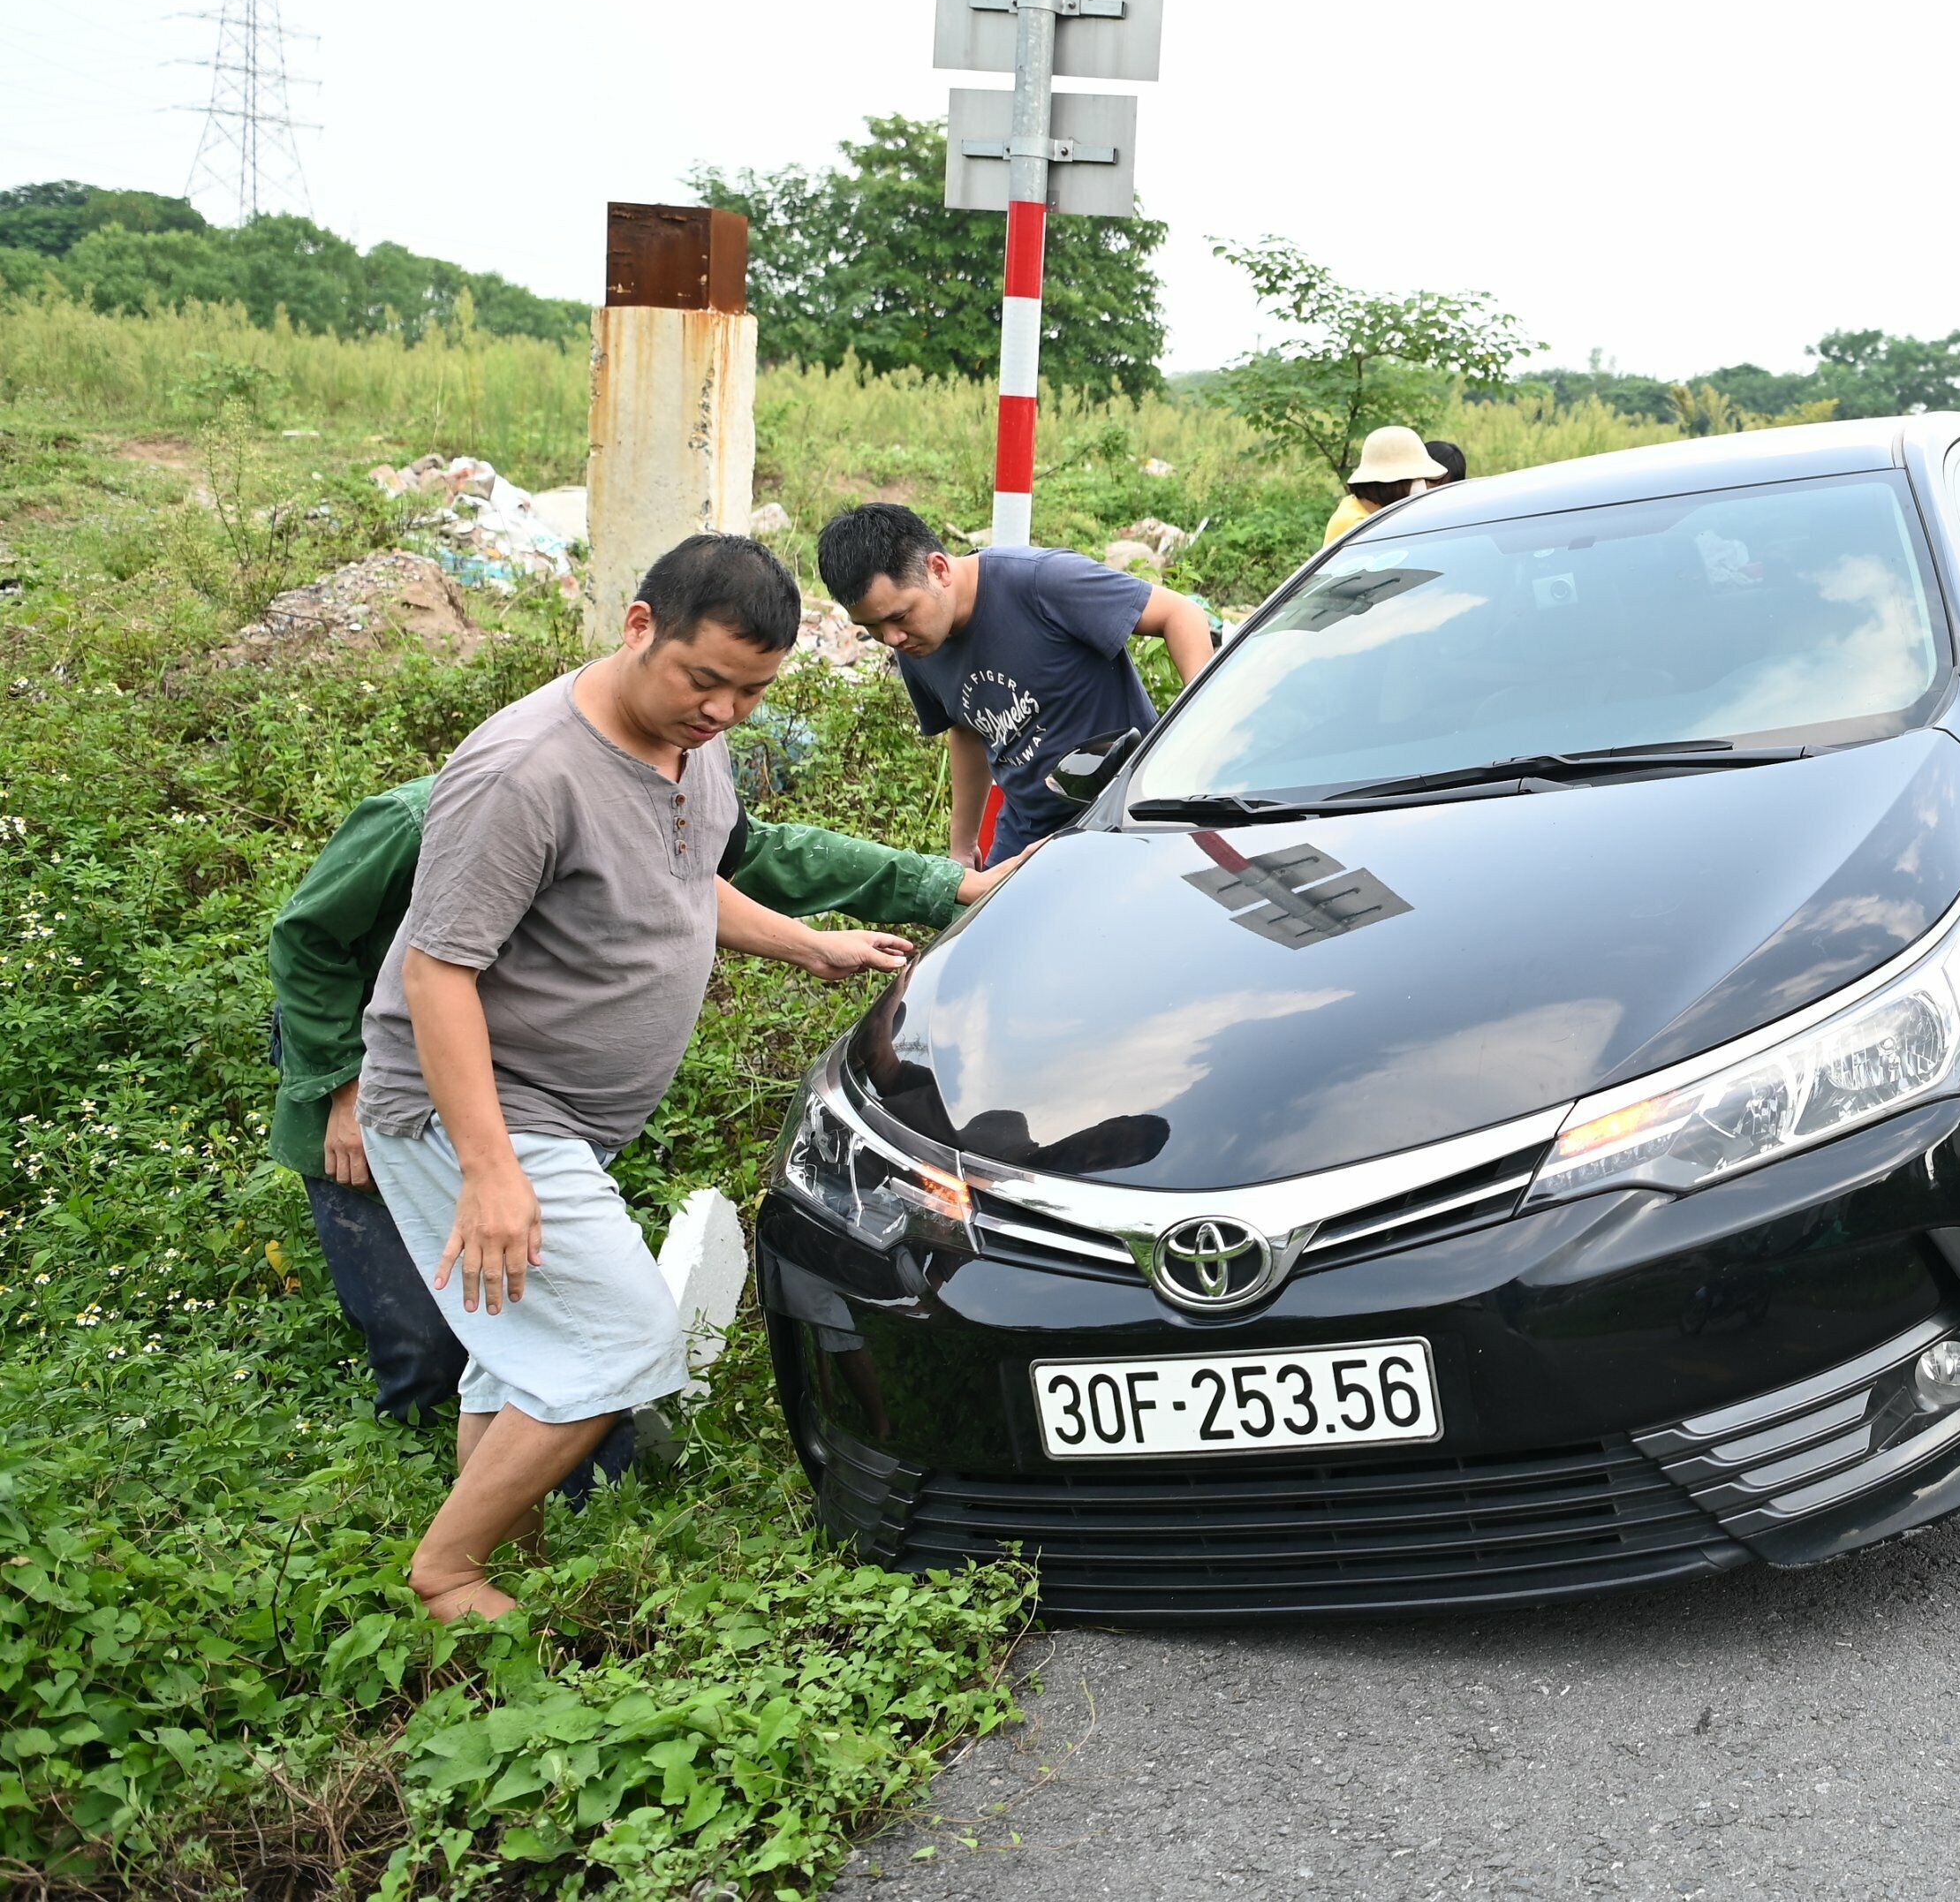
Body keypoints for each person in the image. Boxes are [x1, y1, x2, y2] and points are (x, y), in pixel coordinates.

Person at [359, 535, 918, 1618]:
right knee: (622, 1340)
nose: (724, 711)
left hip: (562, 1120)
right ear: (638, 625)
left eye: (752, 692)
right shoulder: (525, 773)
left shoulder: (692, 744)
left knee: (522, 1353)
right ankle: (447, 1572)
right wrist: (490, 1170)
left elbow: (685, 879)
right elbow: (436, 974)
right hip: (475, 1111)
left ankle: (499, 1560)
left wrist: (808, 942)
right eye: (704, 679)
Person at [269, 774, 1016, 1463]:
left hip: (516, 1105)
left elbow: (755, 858)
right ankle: (422, 1514)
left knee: (526, 1338)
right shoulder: (423, 818)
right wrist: (343, 1091)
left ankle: (553, 1514)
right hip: (387, 1109)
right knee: (427, 1354)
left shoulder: (652, 802)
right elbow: (308, 938)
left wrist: (940, 889)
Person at [814, 504, 1222, 868]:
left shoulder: (1041, 581)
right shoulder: (915, 645)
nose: (891, 638)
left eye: (899, 616)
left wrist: (1202, 736)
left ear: (938, 569)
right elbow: (966, 729)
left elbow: (1180, 614)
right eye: (872, 627)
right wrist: (962, 845)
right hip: (1027, 831)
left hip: (1125, 810)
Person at [1321, 423, 1444, 544]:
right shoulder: (1360, 527)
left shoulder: (1360, 509)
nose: (1421, 485)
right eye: (1416, 479)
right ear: (1395, 483)